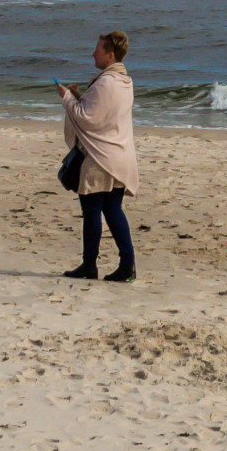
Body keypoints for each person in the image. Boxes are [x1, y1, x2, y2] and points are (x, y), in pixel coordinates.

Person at [57, 29, 137, 282]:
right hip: (119, 154)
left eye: (98, 50)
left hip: (100, 155)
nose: (93, 54)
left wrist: (67, 98)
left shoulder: (106, 82)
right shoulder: (125, 82)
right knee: (113, 209)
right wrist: (79, 97)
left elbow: (86, 118)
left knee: (92, 209)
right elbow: (101, 113)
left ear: (110, 55)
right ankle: (127, 264)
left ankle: (90, 265)